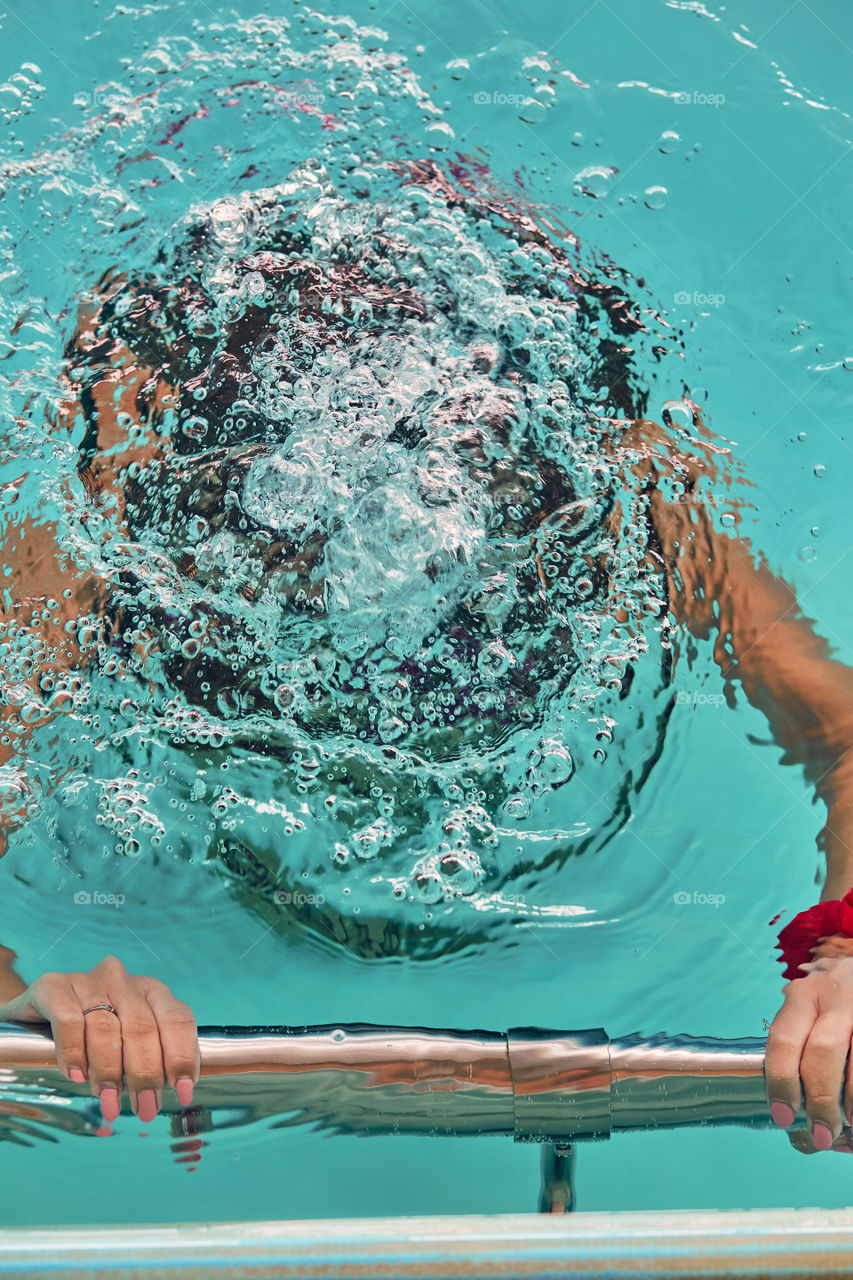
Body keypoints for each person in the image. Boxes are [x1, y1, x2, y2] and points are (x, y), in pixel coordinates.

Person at [0, 159, 852, 1152]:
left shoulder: (626, 482)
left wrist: (841, 950)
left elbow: (838, 727)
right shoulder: (123, 491)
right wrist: (36, 995)